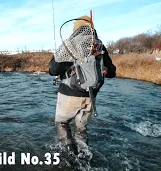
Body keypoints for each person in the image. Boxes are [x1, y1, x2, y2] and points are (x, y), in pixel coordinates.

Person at [49, 15, 116, 154]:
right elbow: (112, 72)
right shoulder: (99, 45)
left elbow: (53, 70)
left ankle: (71, 156)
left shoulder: (70, 44)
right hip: (90, 96)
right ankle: (84, 158)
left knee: (62, 123)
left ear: (75, 28)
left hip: (69, 93)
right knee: (81, 130)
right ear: (91, 27)